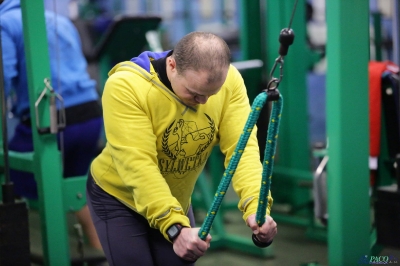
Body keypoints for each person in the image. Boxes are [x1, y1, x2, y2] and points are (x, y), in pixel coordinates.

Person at [86, 31, 277, 265]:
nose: (204, 103)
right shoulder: (126, 86)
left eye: (211, 94)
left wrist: (257, 207)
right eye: (195, 93)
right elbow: (138, 166)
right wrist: (175, 228)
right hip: (119, 197)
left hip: (174, 199)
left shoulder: (230, 81)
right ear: (172, 65)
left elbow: (242, 149)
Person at [0, 0, 102, 250]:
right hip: (90, 114)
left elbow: (5, 75)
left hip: (52, 121)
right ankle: (104, 251)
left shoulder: (4, 23)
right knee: (77, 187)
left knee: (8, 171)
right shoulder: (60, 20)